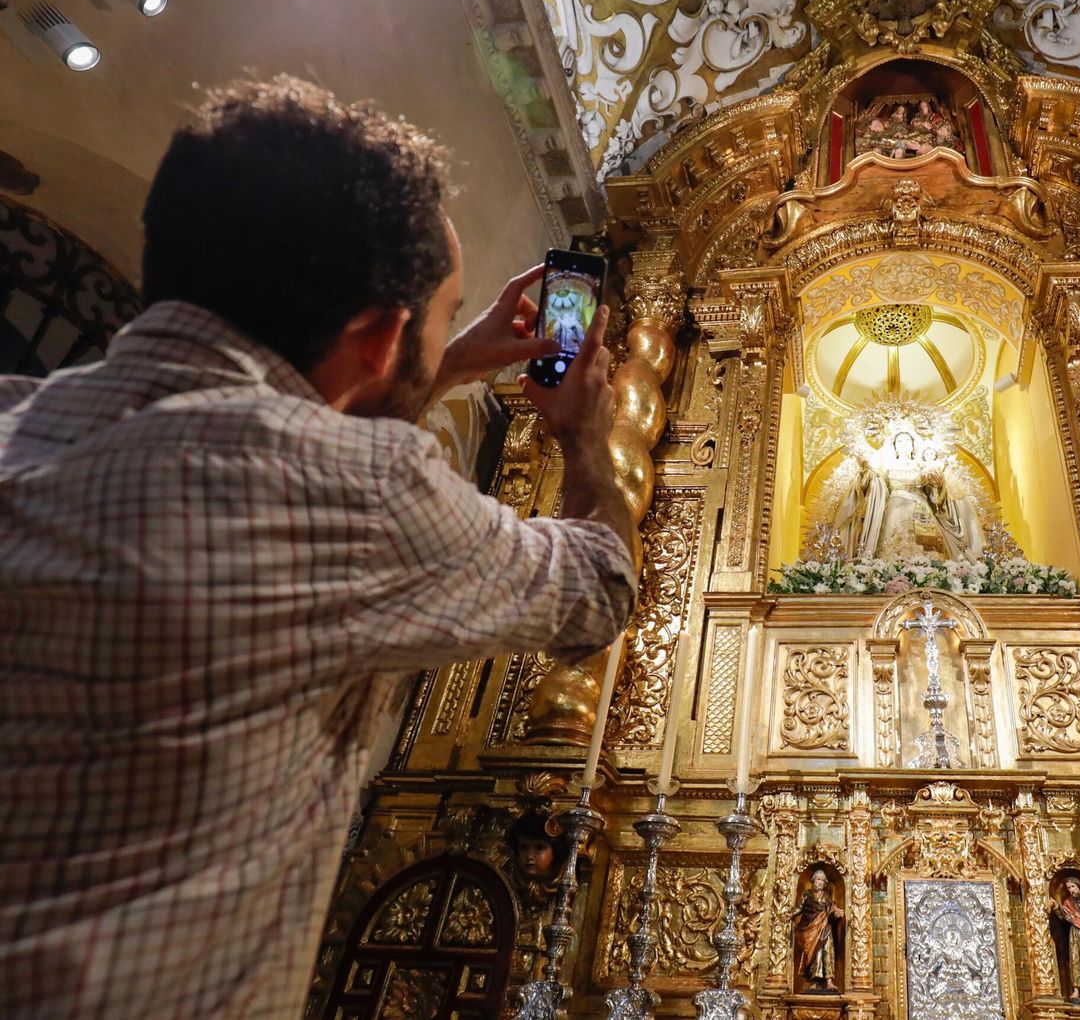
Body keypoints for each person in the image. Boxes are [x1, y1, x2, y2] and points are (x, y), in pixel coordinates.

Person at [0, 76, 638, 1019]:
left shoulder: (17, 415)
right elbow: (597, 588)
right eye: (438, 313)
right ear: (377, 336)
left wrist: (445, 356)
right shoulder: (366, 493)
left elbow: (310, 432)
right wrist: (586, 430)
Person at [792, 868, 845, 992]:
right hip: (811, 929)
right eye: (818, 879)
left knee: (827, 952)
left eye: (822, 880)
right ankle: (815, 981)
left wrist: (838, 913)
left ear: (825, 882)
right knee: (815, 954)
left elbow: (831, 911)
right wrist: (789, 915)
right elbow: (799, 909)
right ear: (813, 881)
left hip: (825, 929)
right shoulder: (807, 894)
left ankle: (829, 981)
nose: (819, 882)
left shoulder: (827, 896)